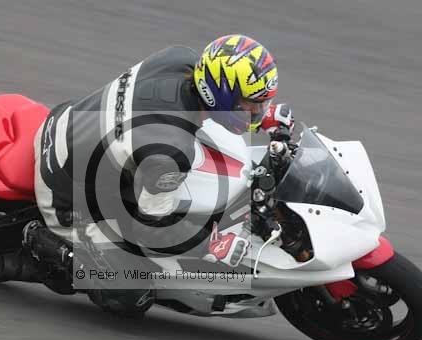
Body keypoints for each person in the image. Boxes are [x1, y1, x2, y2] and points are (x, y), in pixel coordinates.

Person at [24, 34, 296, 315]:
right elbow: (152, 230)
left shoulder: (181, 59)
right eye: (250, 104)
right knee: (131, 294)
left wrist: (260, 118)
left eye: (261, 104)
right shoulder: (171, 150)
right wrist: (212, 244)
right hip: (65, 192)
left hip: (71, 121)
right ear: (221, 94)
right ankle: (48, 247)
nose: (257, 111)